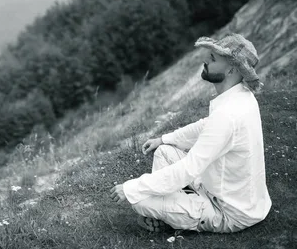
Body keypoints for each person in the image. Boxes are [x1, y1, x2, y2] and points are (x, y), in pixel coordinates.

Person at [110, 33, 271, 233]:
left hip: (227, 211)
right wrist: (163, 139)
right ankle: (174, 205)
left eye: (212, 59)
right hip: (232, 194)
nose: (205, 60)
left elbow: (189, 168)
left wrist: (131, 187)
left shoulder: (228, 115)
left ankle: (172, 213)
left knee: (140, 199)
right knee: (163, 151)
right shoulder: (241, 97)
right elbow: (207, 126)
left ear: (231, 69)